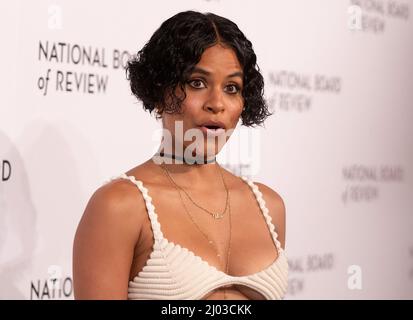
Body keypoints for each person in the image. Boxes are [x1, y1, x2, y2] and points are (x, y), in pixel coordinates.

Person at [73, 10, 288, 300]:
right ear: (160, 90)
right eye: (197, 82)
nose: (217, 103)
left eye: (231, 88)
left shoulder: (269, 207)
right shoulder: (120, 207)